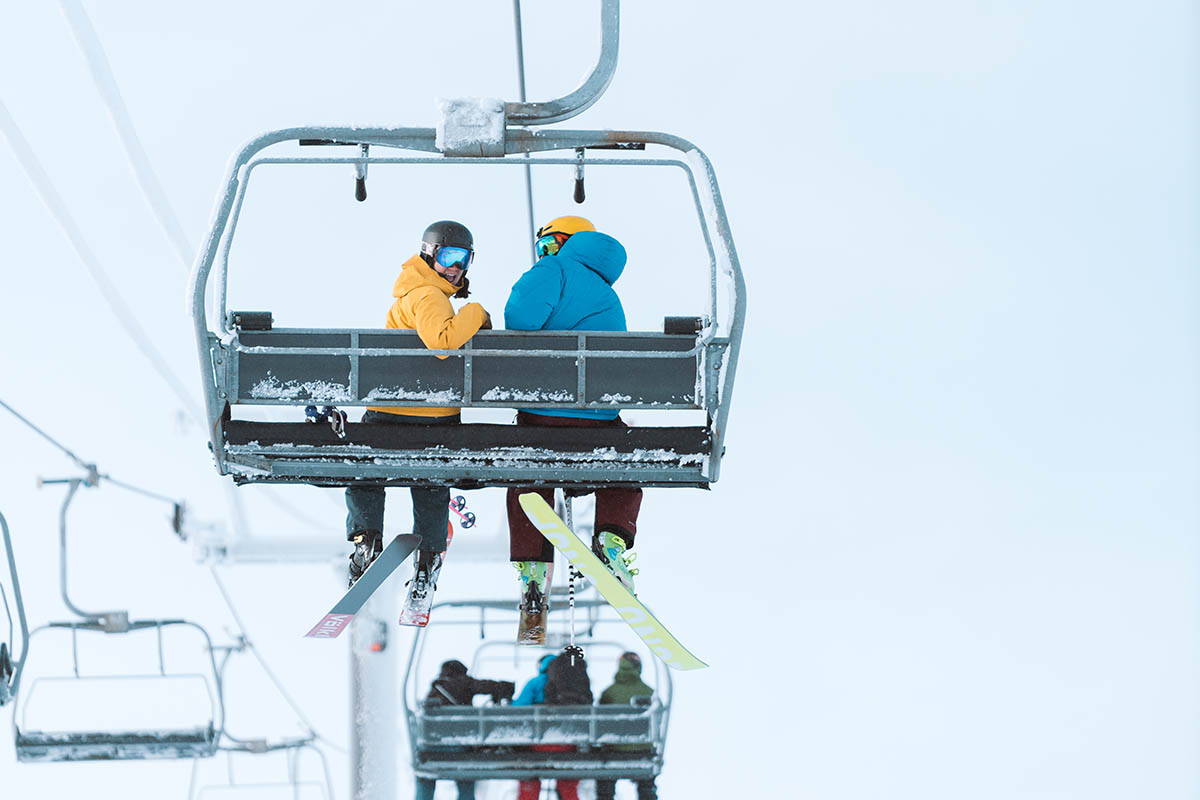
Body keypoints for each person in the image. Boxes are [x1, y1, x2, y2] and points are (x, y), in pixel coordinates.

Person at [504, 216, 643, 642]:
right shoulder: (607, 292)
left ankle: (533, 569)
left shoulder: (555, 269)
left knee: (527, 473)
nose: (544, 254)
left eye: (549, 244)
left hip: (544, 415)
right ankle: (612, 541)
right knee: (625, 463)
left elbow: (519, 318)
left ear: (567, 244)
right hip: (598, 421)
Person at [345, 220, 491, 619]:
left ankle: (365, 538)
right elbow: (442, 343)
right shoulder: (429, 295)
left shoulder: (414, 294)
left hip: (388, 418)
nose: (456, 267)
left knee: (365, 471)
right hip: (434, 421)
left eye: (464, 259)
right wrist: (476, 312)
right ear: (429, 255)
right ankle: (427, 562)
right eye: (449, 256)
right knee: (431, 485)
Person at [419, 659, 515, 800]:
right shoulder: (465, 683)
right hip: (458, 746)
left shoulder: (436, 688)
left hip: (433, 747)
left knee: (425, 776)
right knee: (465, 775)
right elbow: (489, 686)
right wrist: (505, 688)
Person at [514, 645, 591, 800]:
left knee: (528, 776)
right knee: (567, 783)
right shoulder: (573, 684)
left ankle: (529, 793)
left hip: (538, 744)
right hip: (568, 743)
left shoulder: (535, 683)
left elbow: (517, 709)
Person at [596, 652, 657, 800]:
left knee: (605, 786)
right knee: (646, 785)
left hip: (613, 750)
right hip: (641, 750)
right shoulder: (649, 692)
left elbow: (599, 721)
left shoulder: (609, 693)